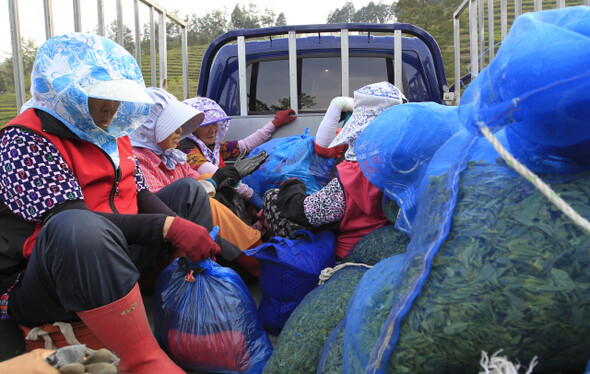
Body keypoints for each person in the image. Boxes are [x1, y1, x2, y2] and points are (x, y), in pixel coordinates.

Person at [0, 33, 235, 374]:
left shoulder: (110, 132)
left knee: (188, 191)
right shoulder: (24, 140)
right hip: (49, 275)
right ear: (70, 97)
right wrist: (168, 227)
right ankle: (141, 355)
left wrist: (186, 229)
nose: (110, 114)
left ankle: (181, 299)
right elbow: (70, 221)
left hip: (117, 249)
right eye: (101, 103)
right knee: (77, 227)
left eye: (115, 103)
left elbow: (139, 193)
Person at [130, 87, 268, 277]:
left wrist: (218, 180)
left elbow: (201, 180)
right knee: (195, 189)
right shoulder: (138, 159)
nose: (179, 130)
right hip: (159, 244)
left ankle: (246, 253)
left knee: (203, 183)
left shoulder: (169, 155)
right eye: (171, 125)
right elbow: (169, 204)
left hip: (182, 233)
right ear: (149, 128)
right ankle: (257, 259)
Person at [262, 82, 407, 259]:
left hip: (355, 249)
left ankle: (298, 263)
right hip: (394, 242)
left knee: (272, 197)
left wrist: (292, 186)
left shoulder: (355, 174)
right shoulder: (405, 161)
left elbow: (307, 213)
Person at [180, 97, 297, 209]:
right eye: (206, 125)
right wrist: (253, 197)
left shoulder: (212, 148)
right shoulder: (188, 151)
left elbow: (244, 145)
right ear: (192, 128)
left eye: (214, 123)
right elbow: (220, 175)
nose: (213, 130)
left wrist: (274, 124)